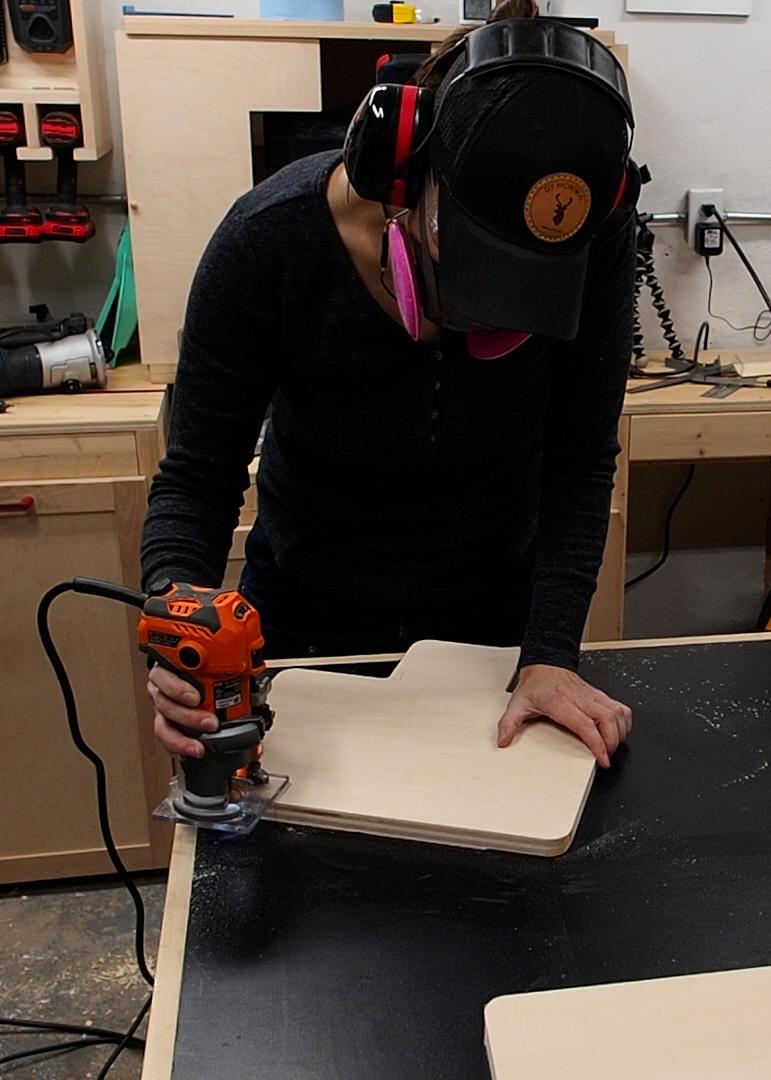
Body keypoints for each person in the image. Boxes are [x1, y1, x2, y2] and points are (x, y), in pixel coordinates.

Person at [141, 3, 636, 769]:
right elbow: (197, 476)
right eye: (466, 274)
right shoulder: (268, 242)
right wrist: (185, 633)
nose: (487, 323)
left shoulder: (592, 237)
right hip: (307, 609)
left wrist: (550, 653)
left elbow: (579, 458)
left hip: (491, 618)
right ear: (402, 169)